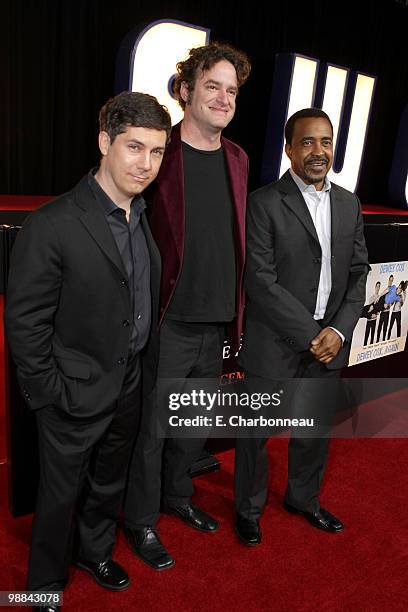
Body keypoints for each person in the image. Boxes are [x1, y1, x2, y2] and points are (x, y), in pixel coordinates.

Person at [4, 91, 171, 611]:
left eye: (157, 152)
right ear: (105, 142)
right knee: (57, 498)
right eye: (134, 147)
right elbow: (25, 323)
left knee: (108, 483)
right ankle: (43, 585)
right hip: (70, 391)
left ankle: (94, 552)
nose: (145, 164)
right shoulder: (53, 223)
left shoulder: (142, 217)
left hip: (128, 383)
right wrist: (49, 395)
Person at [123, 42, 251, 570]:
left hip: (219, 322)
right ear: (185, 91)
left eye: (232, 90)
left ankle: (178, 496)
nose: (223, 98)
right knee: (152, 430)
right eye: (212, 87)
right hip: (167, 320)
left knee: (192, 427)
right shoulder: (161, 154)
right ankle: (140, 520)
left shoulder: (238, 158)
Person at [234, 108, 370, 545]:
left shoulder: (349, 203)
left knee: (314, 431)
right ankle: (248, 509)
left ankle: (304, 499)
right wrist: (312, 333)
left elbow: (359, 271)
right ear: (289, 148)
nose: (318, 151)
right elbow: (259, 279)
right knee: (255, 435)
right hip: (276, 338)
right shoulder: (263, 202)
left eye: (326, 141)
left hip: (331, 340)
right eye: (307, 142)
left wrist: (339, 330)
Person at [363, 281, 381, 346]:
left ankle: (371, 346)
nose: (378, 288)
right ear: (375, 287)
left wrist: (378, 312)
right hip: (369, 320)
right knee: (366, 335)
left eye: (379, 286)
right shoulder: (371, 298)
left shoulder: (380, 297)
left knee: (372, 335)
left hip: (375, 319)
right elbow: (369, 309)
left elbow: (379, 309)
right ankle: (364, 346)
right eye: (377, 286)